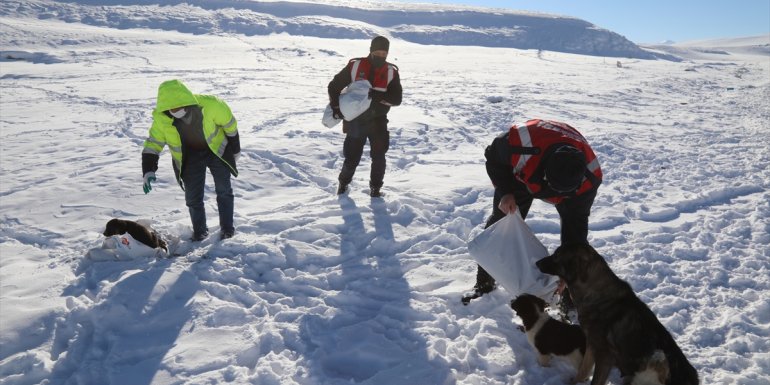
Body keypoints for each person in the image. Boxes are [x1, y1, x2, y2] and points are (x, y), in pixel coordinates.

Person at [462, 119, 602, 305]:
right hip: (521, 179)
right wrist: (505, 192)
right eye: (554, 188)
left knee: (574, 248)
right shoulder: (520, 145)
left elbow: (575, 235)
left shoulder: (589, 179)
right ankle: (484, 285)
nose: (555, 197)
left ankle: (568, 302)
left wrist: (566, 273)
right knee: (501, 224)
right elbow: (493, 157)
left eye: (563, 192)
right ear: (546, 171)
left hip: (570, 194)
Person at [141, 79, 240, 241]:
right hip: (189, 157)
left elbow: (230, 125)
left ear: (186, 100)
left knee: (224, 190)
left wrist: (235, 150)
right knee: (193, 198)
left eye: (179, 106)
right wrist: (148, 169)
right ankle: (200, 232)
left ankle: (227, 229)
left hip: (215, 151)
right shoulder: (162, 118)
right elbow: (153, 144)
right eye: (171, 108)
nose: (175, 110)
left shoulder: (211, 105)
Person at [328, 35, 403, 197]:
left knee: (379, 157)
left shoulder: (391, 72)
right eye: (378, 52)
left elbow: (397, 99)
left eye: (384, 53)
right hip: (356, 121)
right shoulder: (356, 66)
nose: (381, 56)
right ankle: (343, 183)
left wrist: (376, 96)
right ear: (371, 50)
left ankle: (376, 188)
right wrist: (335, 106)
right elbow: (334, 86)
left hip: (378, 121)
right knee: (352, 158)